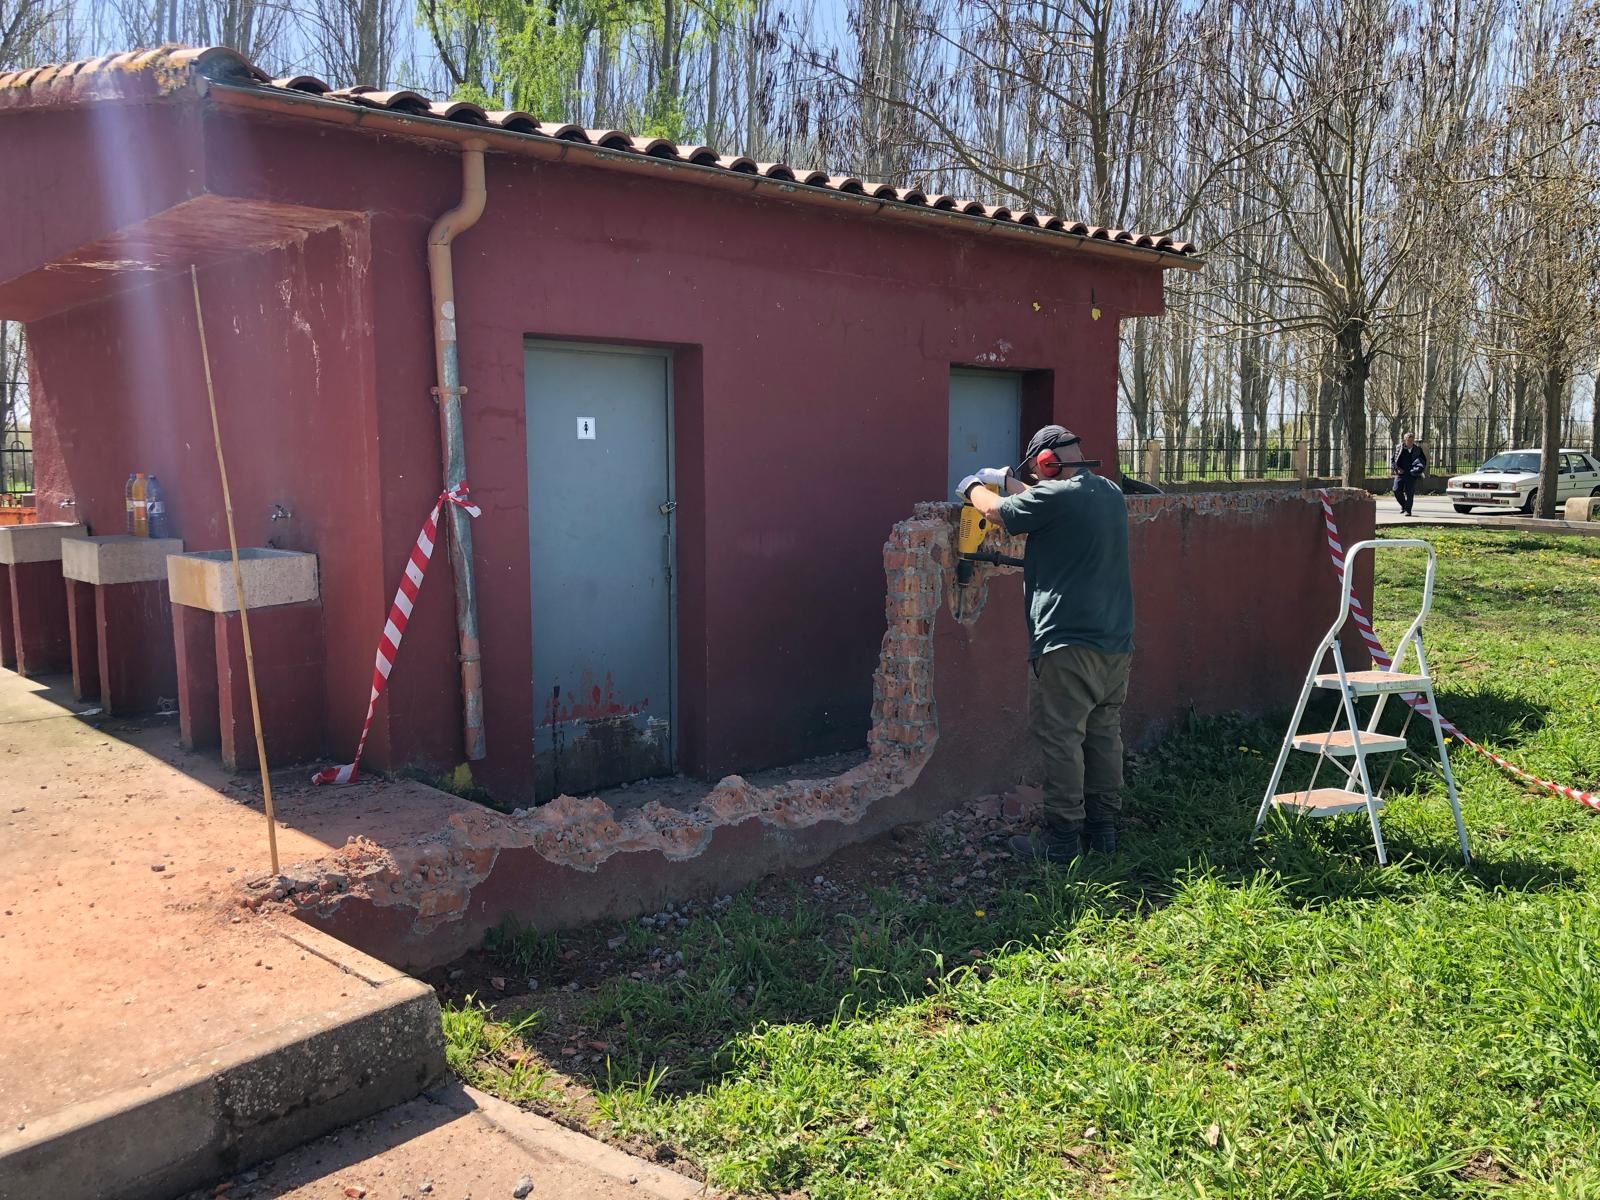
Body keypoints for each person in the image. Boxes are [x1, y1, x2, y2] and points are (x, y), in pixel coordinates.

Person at [957, 425, 1135, 863]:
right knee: (1103, 736)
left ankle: (1062, 840)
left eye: (1036, 474)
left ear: (1047, 464)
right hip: (1115, 643)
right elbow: (1047, 500)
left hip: (1066, 645)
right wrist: (1011, 481)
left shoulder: (1055, 497)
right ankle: (1103, 831)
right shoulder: (1108, 492)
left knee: (1062, 740)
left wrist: (974, 486)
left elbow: (998, 512)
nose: (1036, 481)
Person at [1391, 433, 1426, 516]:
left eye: (1412, 441)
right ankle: (1404, 505)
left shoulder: (1417, 450)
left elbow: (1423, 461)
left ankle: (1408, 510)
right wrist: (1396, 469)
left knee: (1409, 493)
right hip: (1401, 473)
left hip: (1411, 473)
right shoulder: (1399, 448)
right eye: (1408, 440)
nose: (1410, 442)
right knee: (1396, 490)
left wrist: (1417, 470)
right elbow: (1393, 460)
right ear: (1405, 440)